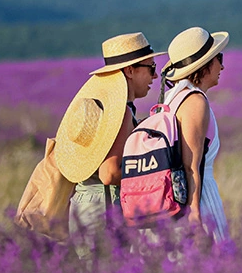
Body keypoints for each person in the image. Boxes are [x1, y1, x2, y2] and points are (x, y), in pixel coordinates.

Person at [55, 32, 163, 239]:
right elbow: (109, 174)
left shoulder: (109, 108)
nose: (155, 76)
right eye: (151, 68)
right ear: (130, 70)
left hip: (85, 207)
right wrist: (151, 176)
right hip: (102, 212)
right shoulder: (120, 112)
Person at [159, 27, 230, 242]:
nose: (223, 65)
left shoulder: (171, 97)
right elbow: (191, 166)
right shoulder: (194, 101)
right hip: (196, 199)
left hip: (172, 198)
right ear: (205, 65)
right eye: (219, 58)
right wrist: (195, 214)